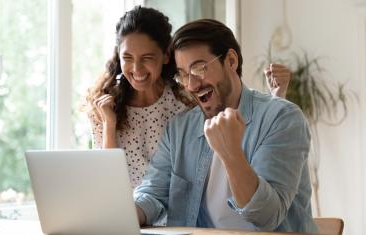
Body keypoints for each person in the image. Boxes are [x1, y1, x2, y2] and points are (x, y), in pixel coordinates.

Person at [134, 19, 317, 233]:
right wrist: (123, 211)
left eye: (199, 69)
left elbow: (267, 215)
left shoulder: (282, 118)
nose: (191, 85)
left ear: (231, 61)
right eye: (183, 75)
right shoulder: (179, 130)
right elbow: (152, 194)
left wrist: (230, 152)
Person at [86, 7, 291, 188]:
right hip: (132, 213)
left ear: (166, 56)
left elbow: (237, 123)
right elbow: (107, 182)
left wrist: (277, 98)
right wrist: (109, 126)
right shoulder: (105, 107)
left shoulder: (185, 98)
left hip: (178, 218)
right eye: (127, 58)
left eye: (147, 58)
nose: (137, 69)